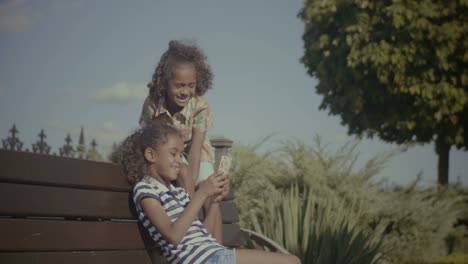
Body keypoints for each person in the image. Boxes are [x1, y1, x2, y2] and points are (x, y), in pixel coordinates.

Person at [113, 123, 301, 264]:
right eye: (173, 153)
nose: (179, 160)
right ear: (150, 155)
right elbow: (173, 235)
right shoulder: (145, 189)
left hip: (214, 255)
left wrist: (215, 201)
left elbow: (208, 237)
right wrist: (201, 193)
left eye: (181, 155)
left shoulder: (177, 193)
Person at [139, 39, 222, 241]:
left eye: (190, 85)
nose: (185, 91)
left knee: (211, 195)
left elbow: (194, 151)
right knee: (183, 171)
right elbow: (146, 138)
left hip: (197, 150)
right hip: (169, 150)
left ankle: (215, 249)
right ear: (165, 83)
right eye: (179, 86)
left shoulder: (200, 105)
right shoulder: (153, 104)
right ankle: (191, 234)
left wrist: (195, 188)